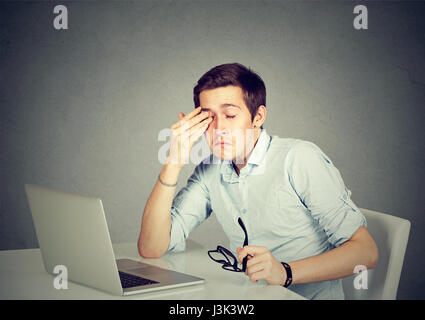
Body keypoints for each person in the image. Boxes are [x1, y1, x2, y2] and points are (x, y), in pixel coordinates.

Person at [138, 62, 378, 299]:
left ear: (258, 116)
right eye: (209, 118)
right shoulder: (210, 170)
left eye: (230, 115)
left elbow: (366, 252)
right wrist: (174, 161)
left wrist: (285, 272)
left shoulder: (299, 159)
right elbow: (152, 247)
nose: (219, 128)